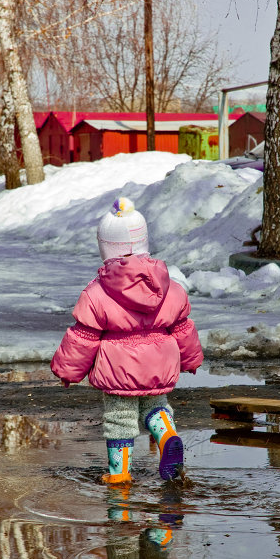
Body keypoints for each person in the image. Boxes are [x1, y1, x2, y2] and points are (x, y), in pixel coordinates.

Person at [50, 196, 203, 484]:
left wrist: (68, 371)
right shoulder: (169, 286)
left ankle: (119, 475)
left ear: (105, 246)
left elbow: (84, 336)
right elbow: (182, 327)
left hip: (119, 368)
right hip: (159, 362)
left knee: (120, 418)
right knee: (155, 406)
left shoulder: (97, 292)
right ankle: (168, 436)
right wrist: (191, 359)